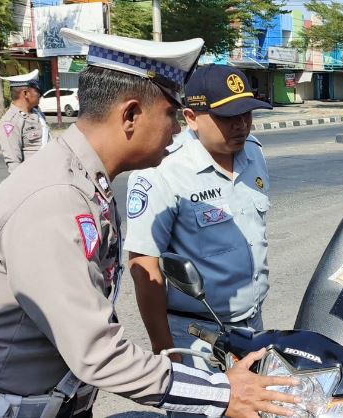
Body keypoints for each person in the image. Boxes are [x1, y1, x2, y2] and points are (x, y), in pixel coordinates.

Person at [0, 30, 296, 418]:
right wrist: (221, 393)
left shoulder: (89, 182)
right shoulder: (56, 198)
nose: (178, 130)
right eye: (171, 114)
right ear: (131, 115)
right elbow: (96, 352)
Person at [124, 64, 273, 392]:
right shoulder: (162, 172)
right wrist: (166, 354)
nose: (241, 125)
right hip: (195, 339)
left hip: (252, 327)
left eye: (246, 113)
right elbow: (143, 265)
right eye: (227, 117)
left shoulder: (254, 154)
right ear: (191, 117)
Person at [0, 69, 51, 173]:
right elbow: (14, 163)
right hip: (33, 178)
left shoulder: (37, 114)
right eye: (37, 91)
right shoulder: (10, 122)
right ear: (25, 93)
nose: (40, 94)